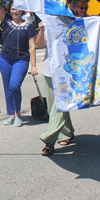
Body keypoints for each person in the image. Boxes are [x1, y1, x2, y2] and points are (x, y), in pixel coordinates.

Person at [0, 0, 37, 127]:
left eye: (17, 8)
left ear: (22, 10)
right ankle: (11, 114)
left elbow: (32, 47)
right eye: (12, 8)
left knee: (14, 86)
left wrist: (33, 66)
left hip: (21, 60)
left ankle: (18, 113)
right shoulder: (5, 20)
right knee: (7, 87)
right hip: (5, 59)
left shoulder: (28, 26)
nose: (14, 11)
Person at [36, 20, 74, 156]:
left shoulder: (72, 22)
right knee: (53, 105)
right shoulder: (49, 22)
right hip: (49, 70)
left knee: (59, 106)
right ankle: (67, 132)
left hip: (66, 71)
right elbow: (40, 44)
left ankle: (50, 141)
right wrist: (41, 30)